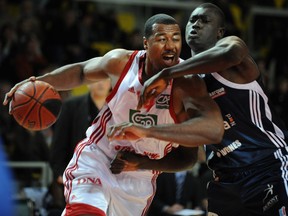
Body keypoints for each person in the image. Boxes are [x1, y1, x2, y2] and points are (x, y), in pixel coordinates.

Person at [3, 14, 224, 216]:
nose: (170, 46)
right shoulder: (121, 62)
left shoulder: (188, 85)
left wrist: (141, 162)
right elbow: (81, 71)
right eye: (161, 39)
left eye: (175, 38)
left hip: (139, 177)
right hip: (98, 156)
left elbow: (190, 155)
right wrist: (40, 82)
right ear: (146, 43)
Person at [109, 3, 288, 216]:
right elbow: (188, 156)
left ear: (220, 31)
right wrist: (142, 163)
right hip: (225, 181)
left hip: (267, 166)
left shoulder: (232, 51)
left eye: (204, 20)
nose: (196, 24)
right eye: (192, 20)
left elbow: (232, 53)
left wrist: (166, 74)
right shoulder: (186, 82)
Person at [47, 79, 111, 215]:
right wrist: (60, 174)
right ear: (87, 82)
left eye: (105, 79)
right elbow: (58, 144)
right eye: (96, 79)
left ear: (111, 82)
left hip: (109, 181)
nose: (100, 83)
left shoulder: (117, 107)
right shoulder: (71, 106)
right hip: (77, 181)